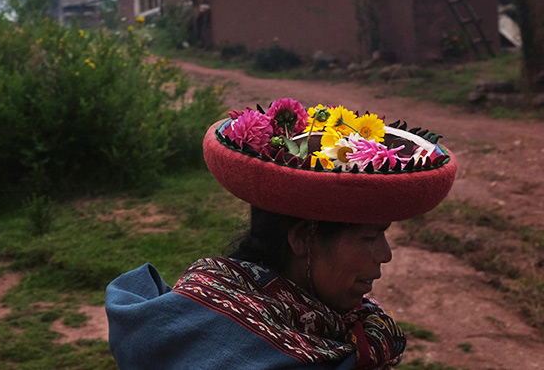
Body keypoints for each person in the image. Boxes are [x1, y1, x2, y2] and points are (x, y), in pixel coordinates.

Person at [105, 98, 457, 369]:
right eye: (368, 238)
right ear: (303, 238)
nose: (385, 254)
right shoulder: (224, 343)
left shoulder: (343, 328)